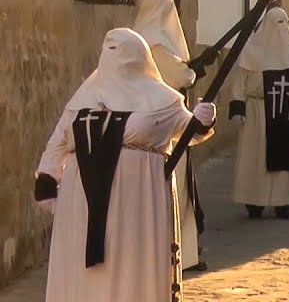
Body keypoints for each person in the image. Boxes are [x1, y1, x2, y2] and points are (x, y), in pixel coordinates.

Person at [34, 29, 217, 302]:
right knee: (84, 276)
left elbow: (188, 131)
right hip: (82, 204)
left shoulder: (162, 101)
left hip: (138, 201)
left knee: (132, 266)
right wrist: (47, 180)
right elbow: (59, 142)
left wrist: (202, 120)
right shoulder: (82, 100)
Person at [132, 0, 205, 272]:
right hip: (165, 123)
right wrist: (193, 71)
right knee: (175, 189)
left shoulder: (136, 37)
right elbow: (180, 77)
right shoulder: (156, 42)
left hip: (142, 122)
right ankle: (177, 253)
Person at [229, 7, 289, 220]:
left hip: (285, 111)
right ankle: (254, 202)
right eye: (278, 23)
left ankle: (283, 202)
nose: (283, 28)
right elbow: (239, 83)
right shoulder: (251, 52)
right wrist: (237, 108)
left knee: (284, 157)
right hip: (257, 112)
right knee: (256, 158)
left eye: (286, 22)